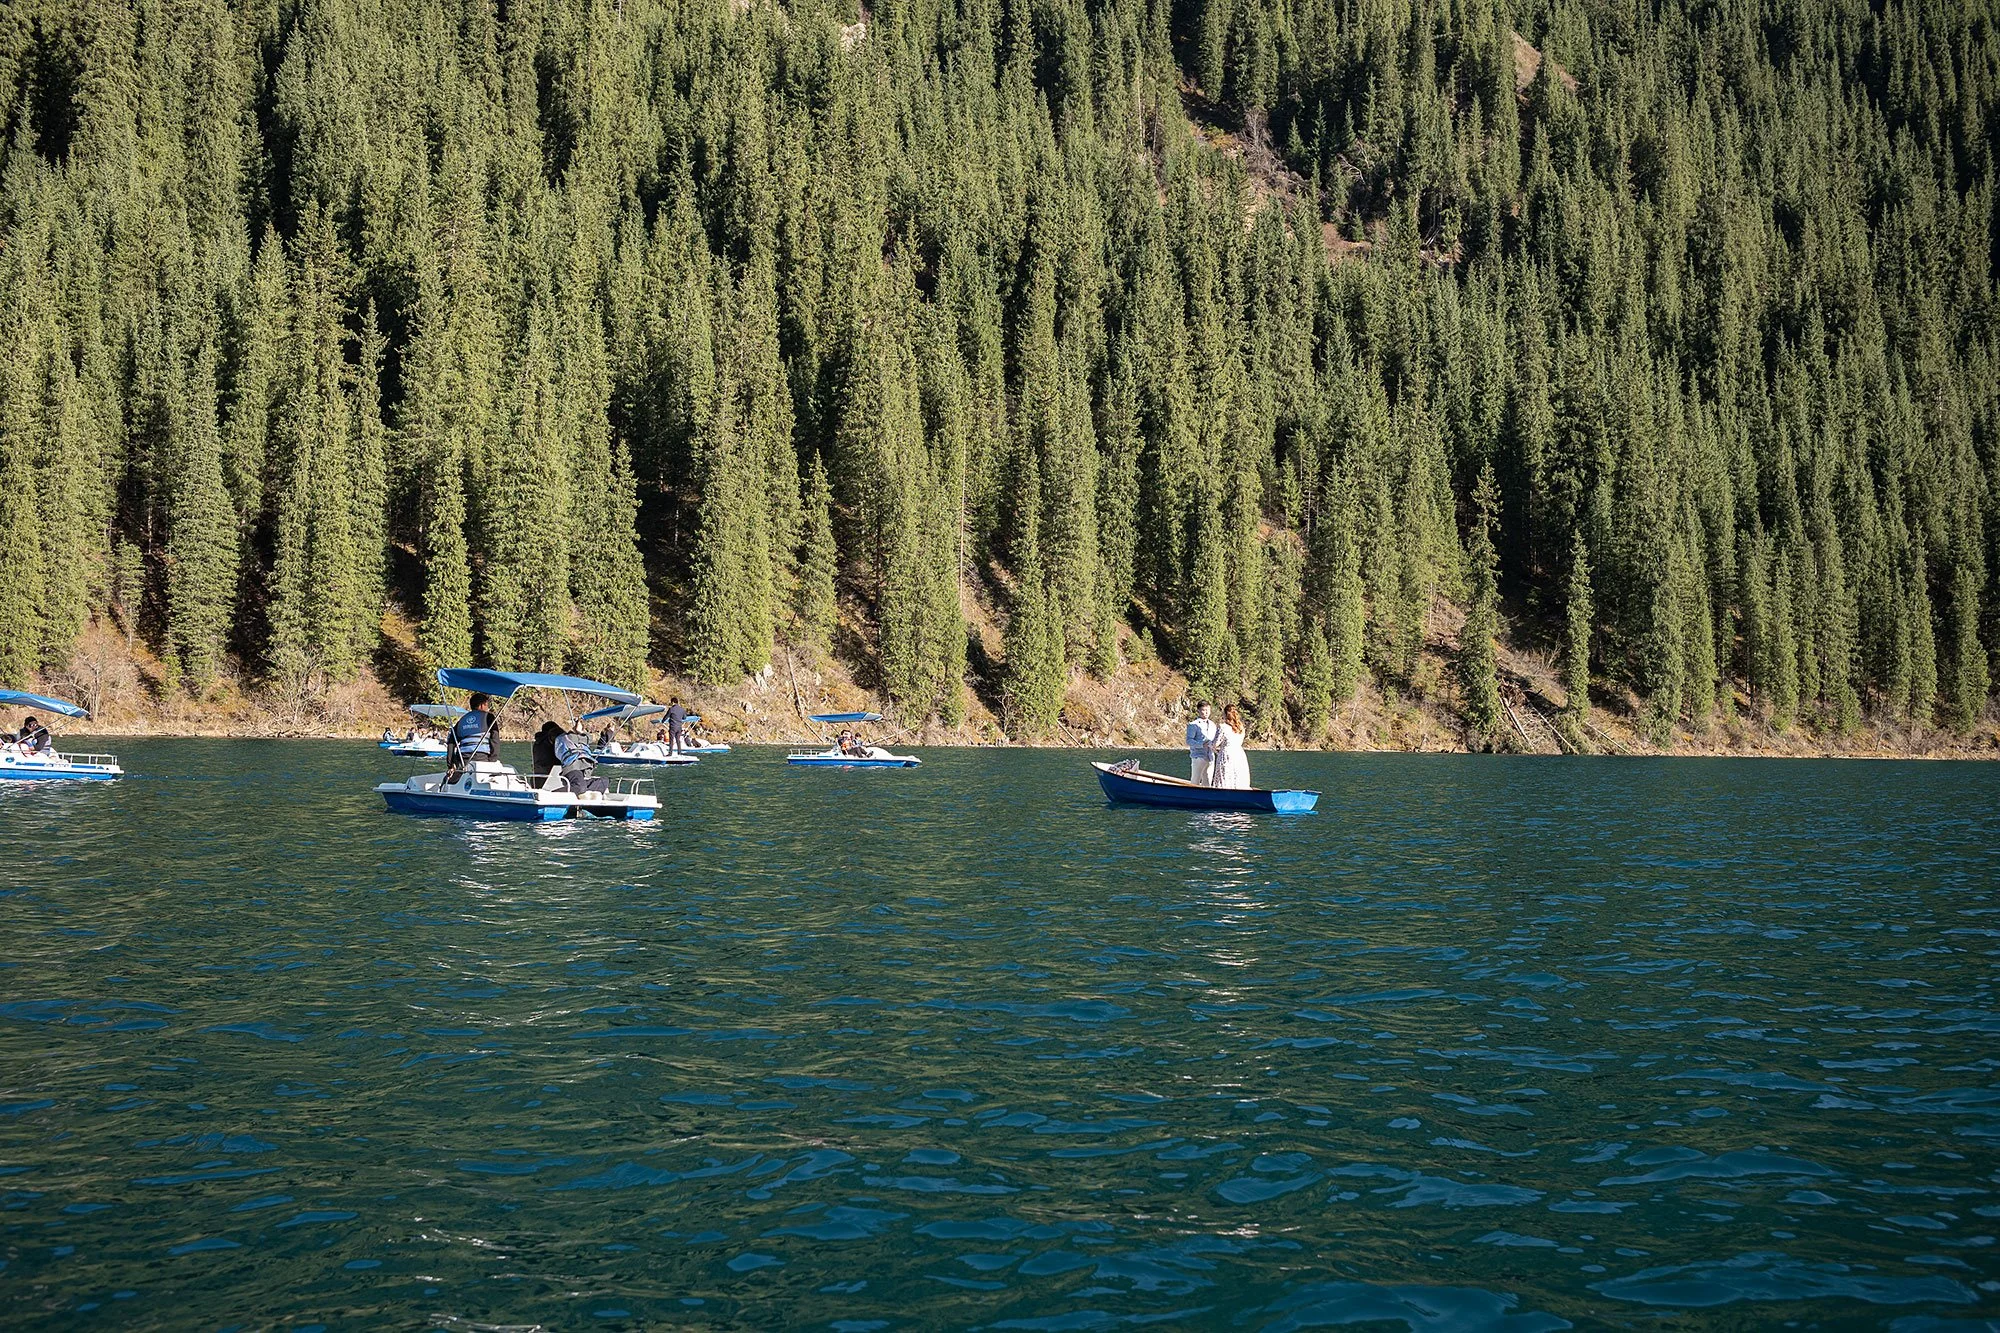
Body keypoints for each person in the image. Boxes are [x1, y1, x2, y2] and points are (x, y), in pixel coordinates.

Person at [447, 693, 496, 778]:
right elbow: (495, 741)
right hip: (481, 758)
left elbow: (451, 742)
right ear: (481, 706)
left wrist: (451, 764)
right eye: (486, 705)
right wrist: (492, 761)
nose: (488, 708)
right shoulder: (489, 717)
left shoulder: (462, 720)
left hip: (462, 760)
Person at [552, 727, 609, 794]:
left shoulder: (574, 739)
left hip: (583, 770)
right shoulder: (563, 738)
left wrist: (580, 732)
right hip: (573, 768)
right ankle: (552, 794)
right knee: (580, 787)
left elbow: (588, 739)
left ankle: (581, 790)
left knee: (605, 781)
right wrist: (579, 731)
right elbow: (584, 738)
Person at [1211, 704, 1251, 790]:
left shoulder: (1223, 727)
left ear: (1225, 714)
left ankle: (1223, 794)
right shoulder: (1241, 728)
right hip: (1239, 754)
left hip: (1227, 754)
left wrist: (1209, 744)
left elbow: (1215, 744)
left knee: (1225, 775)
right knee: (1237, 775)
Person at [1186, 702, 1217, 784]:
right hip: (1198, 756)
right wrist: (1201, 744)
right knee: (1195, 780)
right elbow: (1189, 740)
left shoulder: (1213, 725)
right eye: (1204, 710)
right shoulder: (1193, 725)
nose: (1206, 712)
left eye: (1208, 710)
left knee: (1208, 781)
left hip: (1210, 756)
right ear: (1199, 711)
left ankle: (1206, 796)